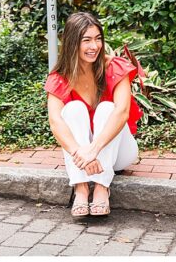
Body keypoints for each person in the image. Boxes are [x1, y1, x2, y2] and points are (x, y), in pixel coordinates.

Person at [45, 12, 141, 217]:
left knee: (108, 108)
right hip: (84, 152)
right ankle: (80, 188)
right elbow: (55, 121)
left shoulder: (114, 67)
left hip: (120, 152)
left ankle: (101, 187)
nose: (94, 46)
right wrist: (83, 154)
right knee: (71, 110)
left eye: (98, 39)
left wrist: (94, 150)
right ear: (72, 43)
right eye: (86, 40)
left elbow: (122, 112)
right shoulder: (60, 77)